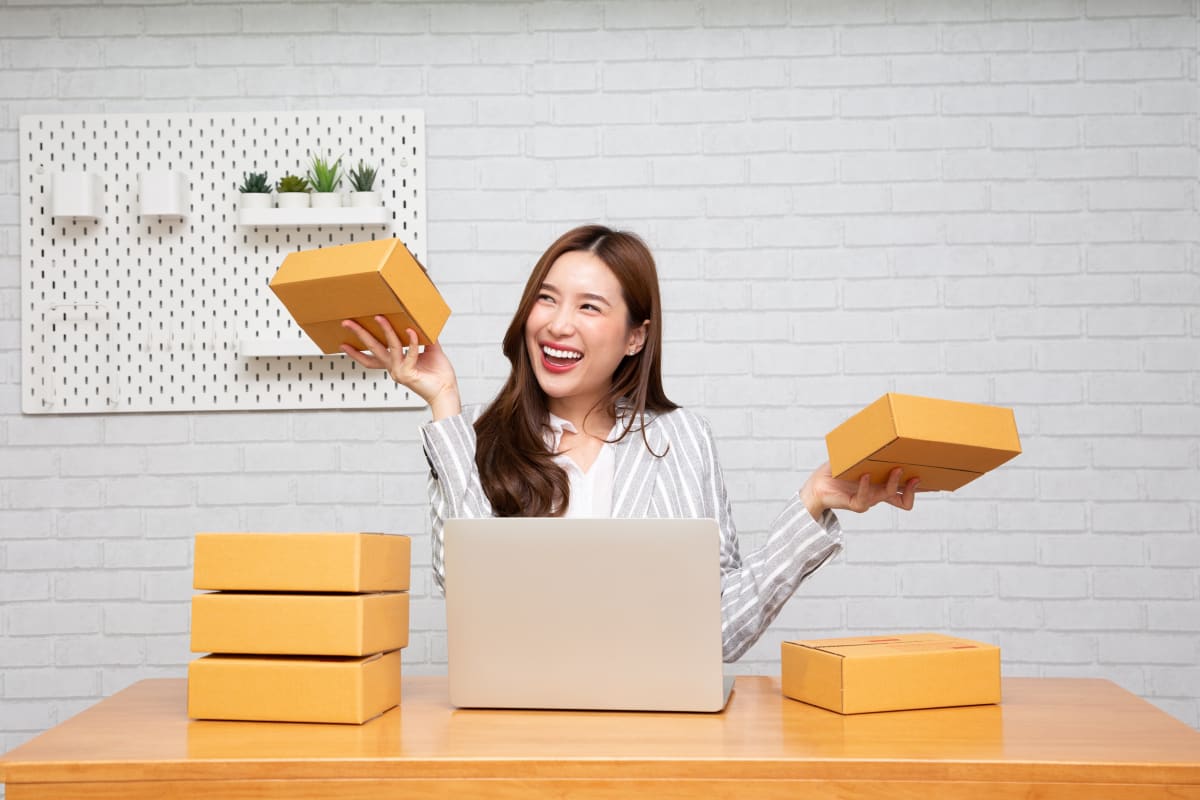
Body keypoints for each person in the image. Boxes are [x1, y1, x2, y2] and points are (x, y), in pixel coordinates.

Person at [342, 225, 918, 662]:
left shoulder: (683, 440)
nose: (557, 324)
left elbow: (716, 630)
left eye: (589, 307)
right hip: (519, 733)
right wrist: (443, 399)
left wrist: (811, 502)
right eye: (547, 299)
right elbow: (466, 587)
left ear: (635, 337)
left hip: (657, 739)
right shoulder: (479, 440)